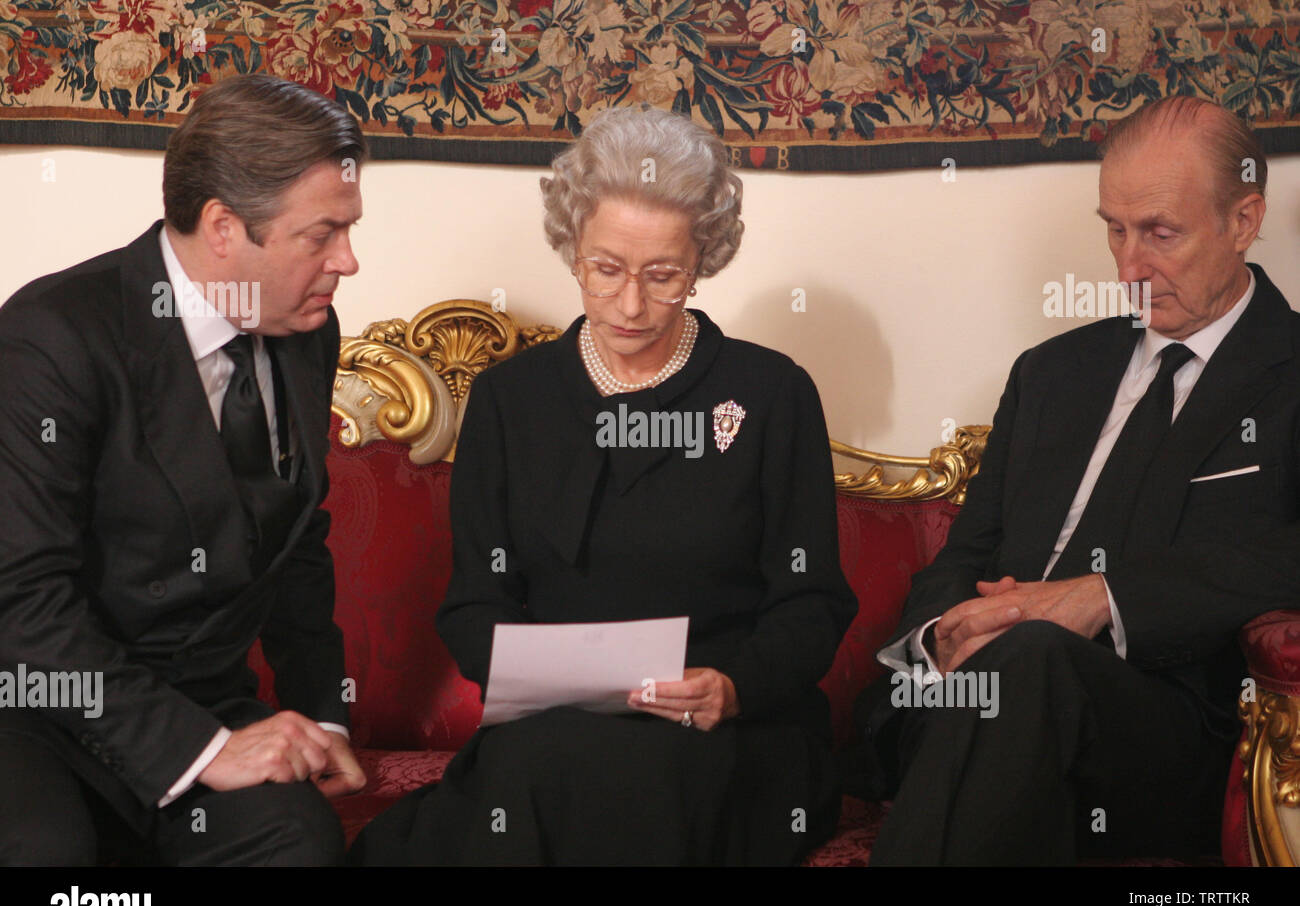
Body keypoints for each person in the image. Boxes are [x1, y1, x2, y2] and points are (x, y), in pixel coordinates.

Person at [349, 105, 858, 865]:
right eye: (606, 269)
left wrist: (732, 684)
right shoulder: (510, 400)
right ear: (572, 250)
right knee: (535, 770)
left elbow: (811, 600)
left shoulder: (771, 393)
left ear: (703, 260)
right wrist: (533, 674)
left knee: (626, 776)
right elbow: (473, 604)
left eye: (663, 276)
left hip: (731, 733)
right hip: (556, 727)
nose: (630, 305)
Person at [850, 96, 1300, 864]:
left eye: (1160, 233)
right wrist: (941, 636)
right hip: (976, 696)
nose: (1129, 268)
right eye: (1114, 230)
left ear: (1243, 220)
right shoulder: (1052, 373)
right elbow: (967, 551)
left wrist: (1101, 599)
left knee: (1033, 662)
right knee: (1004, 678)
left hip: (1162, 730)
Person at [0, 74, 367, 865]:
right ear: (225, 227)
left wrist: (322, 716)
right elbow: (22, 601)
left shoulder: (306, 328)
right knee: (48, 857)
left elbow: (299, 539)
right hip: (38, 715)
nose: (350, 260)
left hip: (203, 699)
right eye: (322, 235)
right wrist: (204, 753)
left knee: (297, 840)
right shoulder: (52, 336)